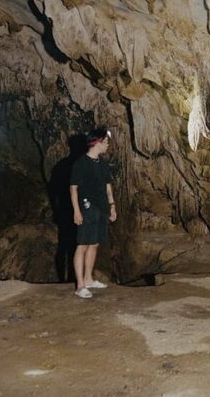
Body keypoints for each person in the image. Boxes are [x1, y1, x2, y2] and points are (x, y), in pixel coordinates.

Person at [70, 127, 117, 298]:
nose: (107, 145)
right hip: (87, 207)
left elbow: (107, 186)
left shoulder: (102, 163)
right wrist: (76, 211)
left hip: (102, 208)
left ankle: (89, 279)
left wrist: (112, 206)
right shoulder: (81, 163)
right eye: (105, 142)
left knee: (95, 243)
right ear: (97, 143)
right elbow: (73, 188)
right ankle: (80, 285)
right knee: (82, 245)